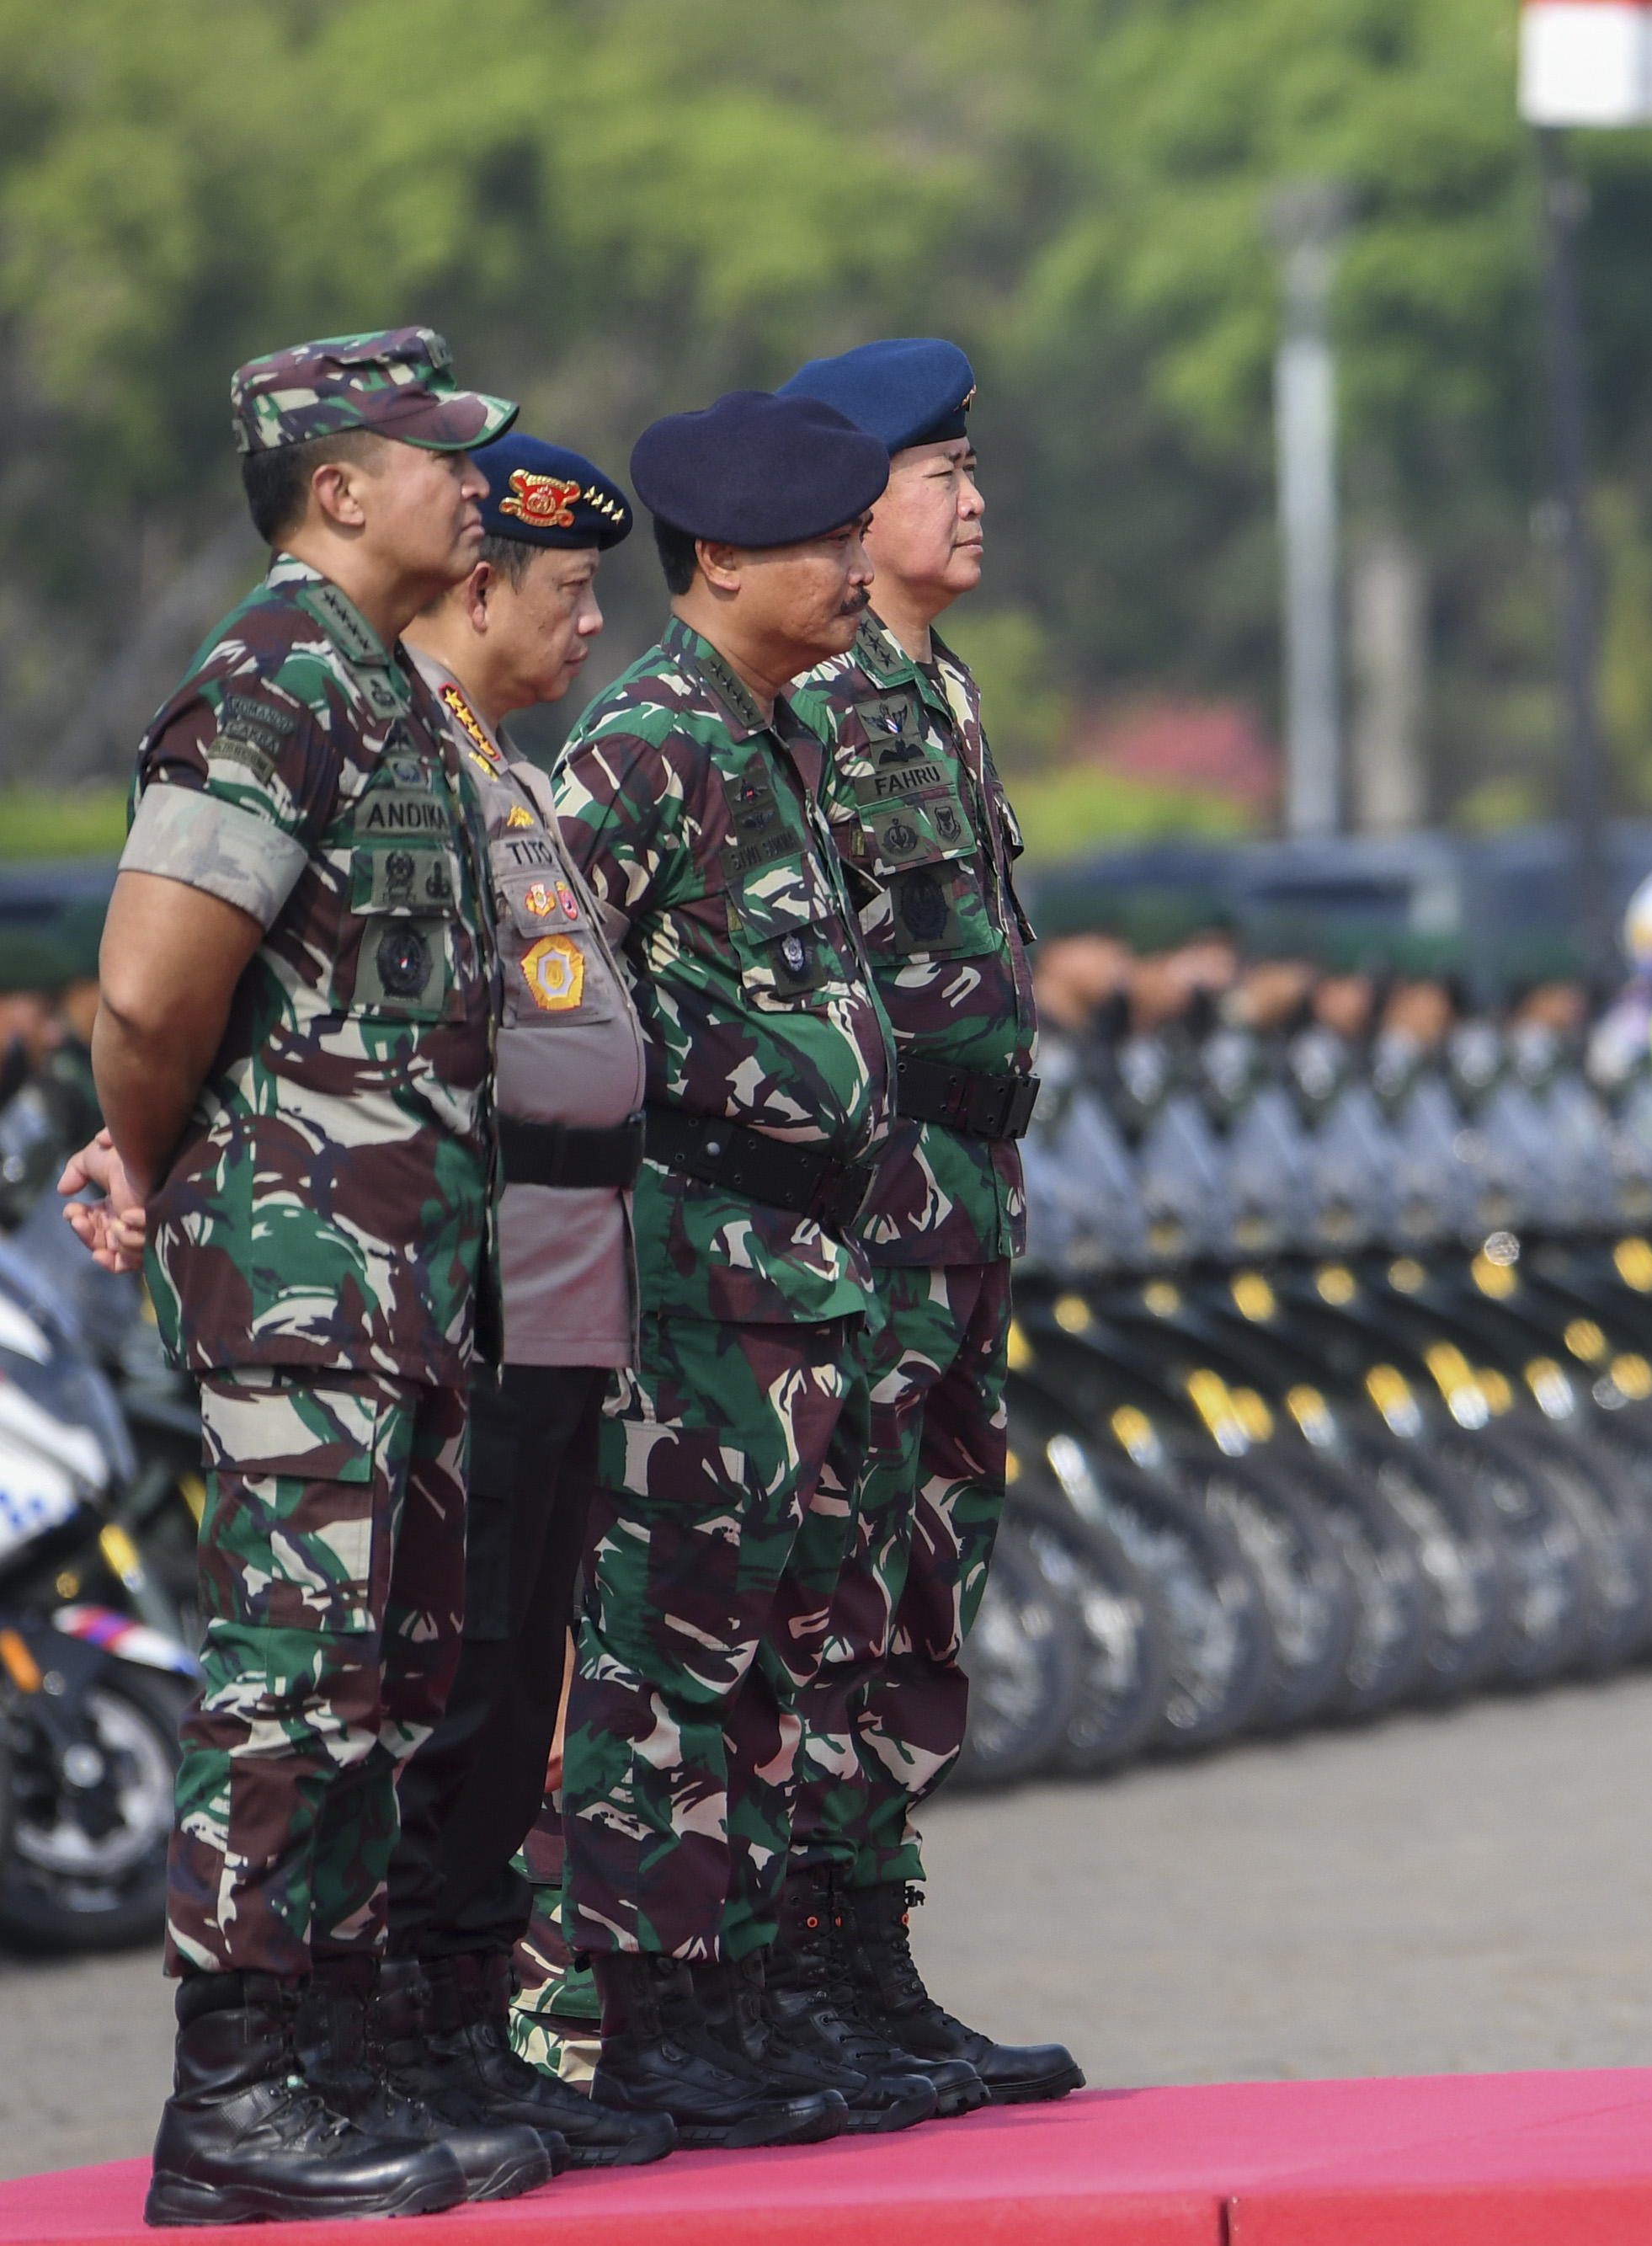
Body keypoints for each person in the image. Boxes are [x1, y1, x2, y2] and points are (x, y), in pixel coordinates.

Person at [57, 328, 554, 2223]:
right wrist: (173, 1158)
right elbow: (150, 985)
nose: (472, 487)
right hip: (301, 1252)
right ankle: (238, 2086)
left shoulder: (383, 684)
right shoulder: (270, 680)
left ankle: (337, 2048)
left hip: (399, 1257)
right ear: (336, 488)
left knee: (388, 1656)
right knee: (299, 1660)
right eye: (439, 460)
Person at [546, 388, 923, 2144]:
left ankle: (738, 1992)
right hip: (694, 1269)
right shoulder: (644, 747)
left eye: (859, 533)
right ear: (719, 560)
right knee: (668, 1652)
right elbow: (547, 1015)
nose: (858, 568)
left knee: (776, 1643)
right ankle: (641, 2014)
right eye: (823, 543)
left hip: (798, 1267)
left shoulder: (765, 731)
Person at [770, 339, 1080, 2103]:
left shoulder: (935, 688)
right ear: (846, 502)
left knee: (919, 1583)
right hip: (855, 1211)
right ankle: (794, 1974)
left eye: (970, 470)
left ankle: (871, 1958)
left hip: (960, 1200)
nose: (971, 501)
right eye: (937, 473)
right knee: (823, 1583)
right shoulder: (807, 702)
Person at [380, 433, 674, 2171]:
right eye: (566, 596)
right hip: (465, 1279)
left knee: (521, 1657)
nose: (585, 632)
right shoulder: (405, 755)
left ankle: (477, 2021)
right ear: (476, 585)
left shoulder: (501, 762)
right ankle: (409, 2028)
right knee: (454, 1659)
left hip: (562, 1276)